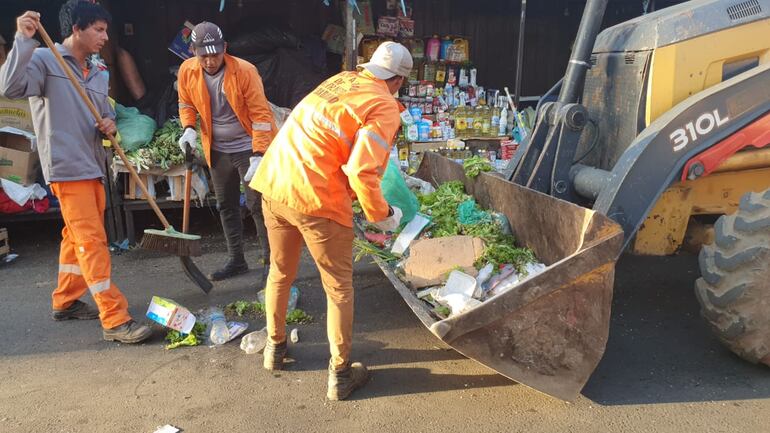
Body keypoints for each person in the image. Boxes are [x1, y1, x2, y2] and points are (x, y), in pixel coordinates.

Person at [250, 41, 411, 400]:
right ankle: (340, 374)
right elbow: (362, 170)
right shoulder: (384, 105)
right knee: (338, 288)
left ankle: (274, 349)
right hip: (316, 197)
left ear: (369, 67)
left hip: (275, 183)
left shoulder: (339, 81)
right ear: (399, 80)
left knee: (280, 272)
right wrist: (382, 215)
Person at [0, 4, 151, 343]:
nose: (105, 37)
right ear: (77, 29)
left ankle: (65, 300)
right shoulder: (44, 60)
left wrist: (108, 123)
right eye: (98, 30)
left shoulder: (98, 72)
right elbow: (9, 87)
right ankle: (114, 318)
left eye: (105, 30)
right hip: (66, 168)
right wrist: (22, 39)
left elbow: (103, 114)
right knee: (92, 241)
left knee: (76, 237)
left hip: (93, 165)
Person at [177, 21, 275, 283]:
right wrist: (188, 128)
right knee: (226, 206)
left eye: (215, 55)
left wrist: (259, 153)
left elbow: (261, 115)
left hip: (247, 146)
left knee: (258, 205)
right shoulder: (187, 70)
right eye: (203, 56)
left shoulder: (245, 71)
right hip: (217, 148)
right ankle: (236, 261)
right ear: (193, 52)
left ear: (225, 48)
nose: (210, 61)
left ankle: (271, 263)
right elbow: (186, 103)